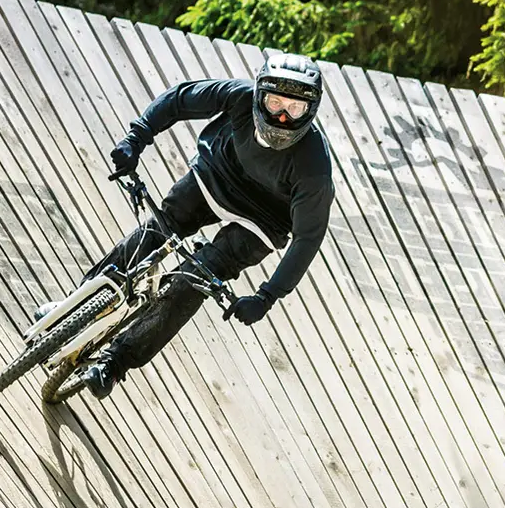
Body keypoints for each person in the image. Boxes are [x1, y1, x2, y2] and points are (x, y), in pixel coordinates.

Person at [62, 51, 334, 399]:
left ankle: (114, 363)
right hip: (215, 177)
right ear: (257, 95)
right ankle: (74, 308)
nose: (281, 116)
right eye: (274, 103)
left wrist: (267, 297)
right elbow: (179, 100)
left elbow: (307, 238)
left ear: (310, 111)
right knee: (156, 231)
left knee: (193, 279)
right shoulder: (239, 96)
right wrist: (136, 138)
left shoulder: (315, 169)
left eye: (293, 109)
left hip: (263, 221)